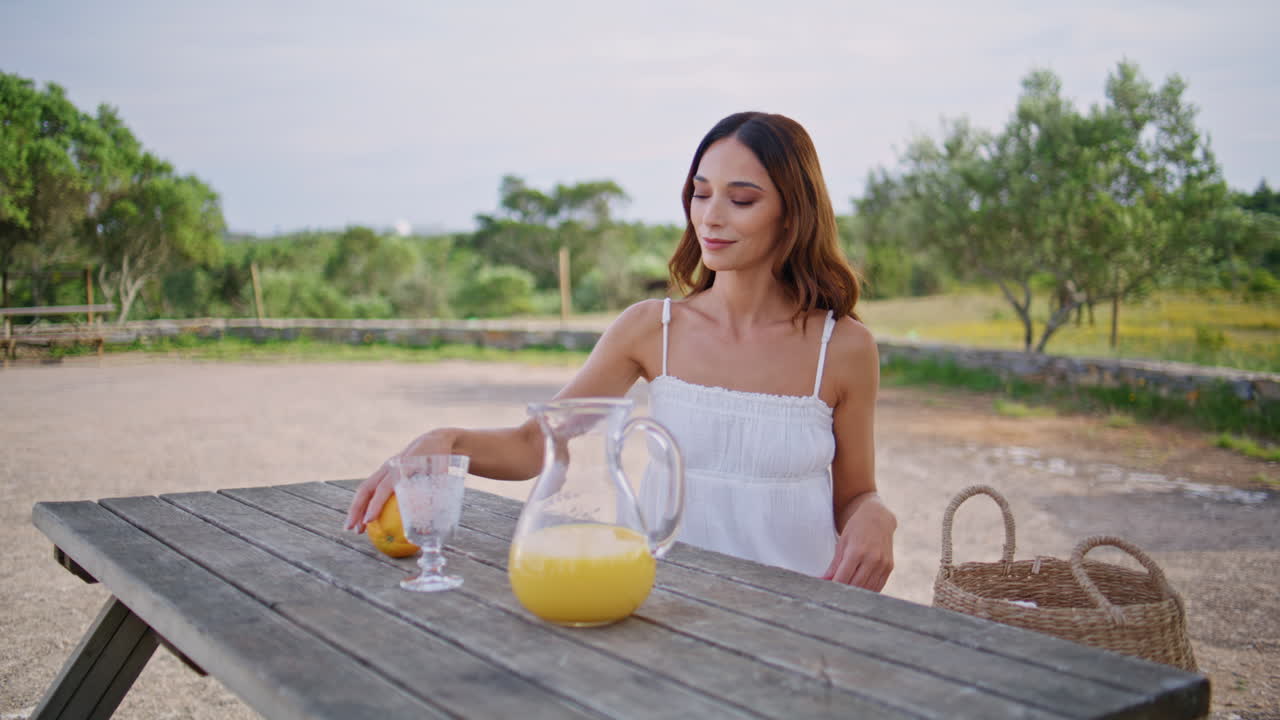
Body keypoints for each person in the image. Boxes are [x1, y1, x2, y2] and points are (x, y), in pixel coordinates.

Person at [344, 111, 896, 590]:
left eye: (742, 199)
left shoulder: (843, 348)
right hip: (666, 602)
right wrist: (446, 441)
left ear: (793, 213)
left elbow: (855, 497)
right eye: (701, 193)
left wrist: (875, 515)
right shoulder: (649, 328)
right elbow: (536, 446)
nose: (710, 217)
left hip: (802, 614)